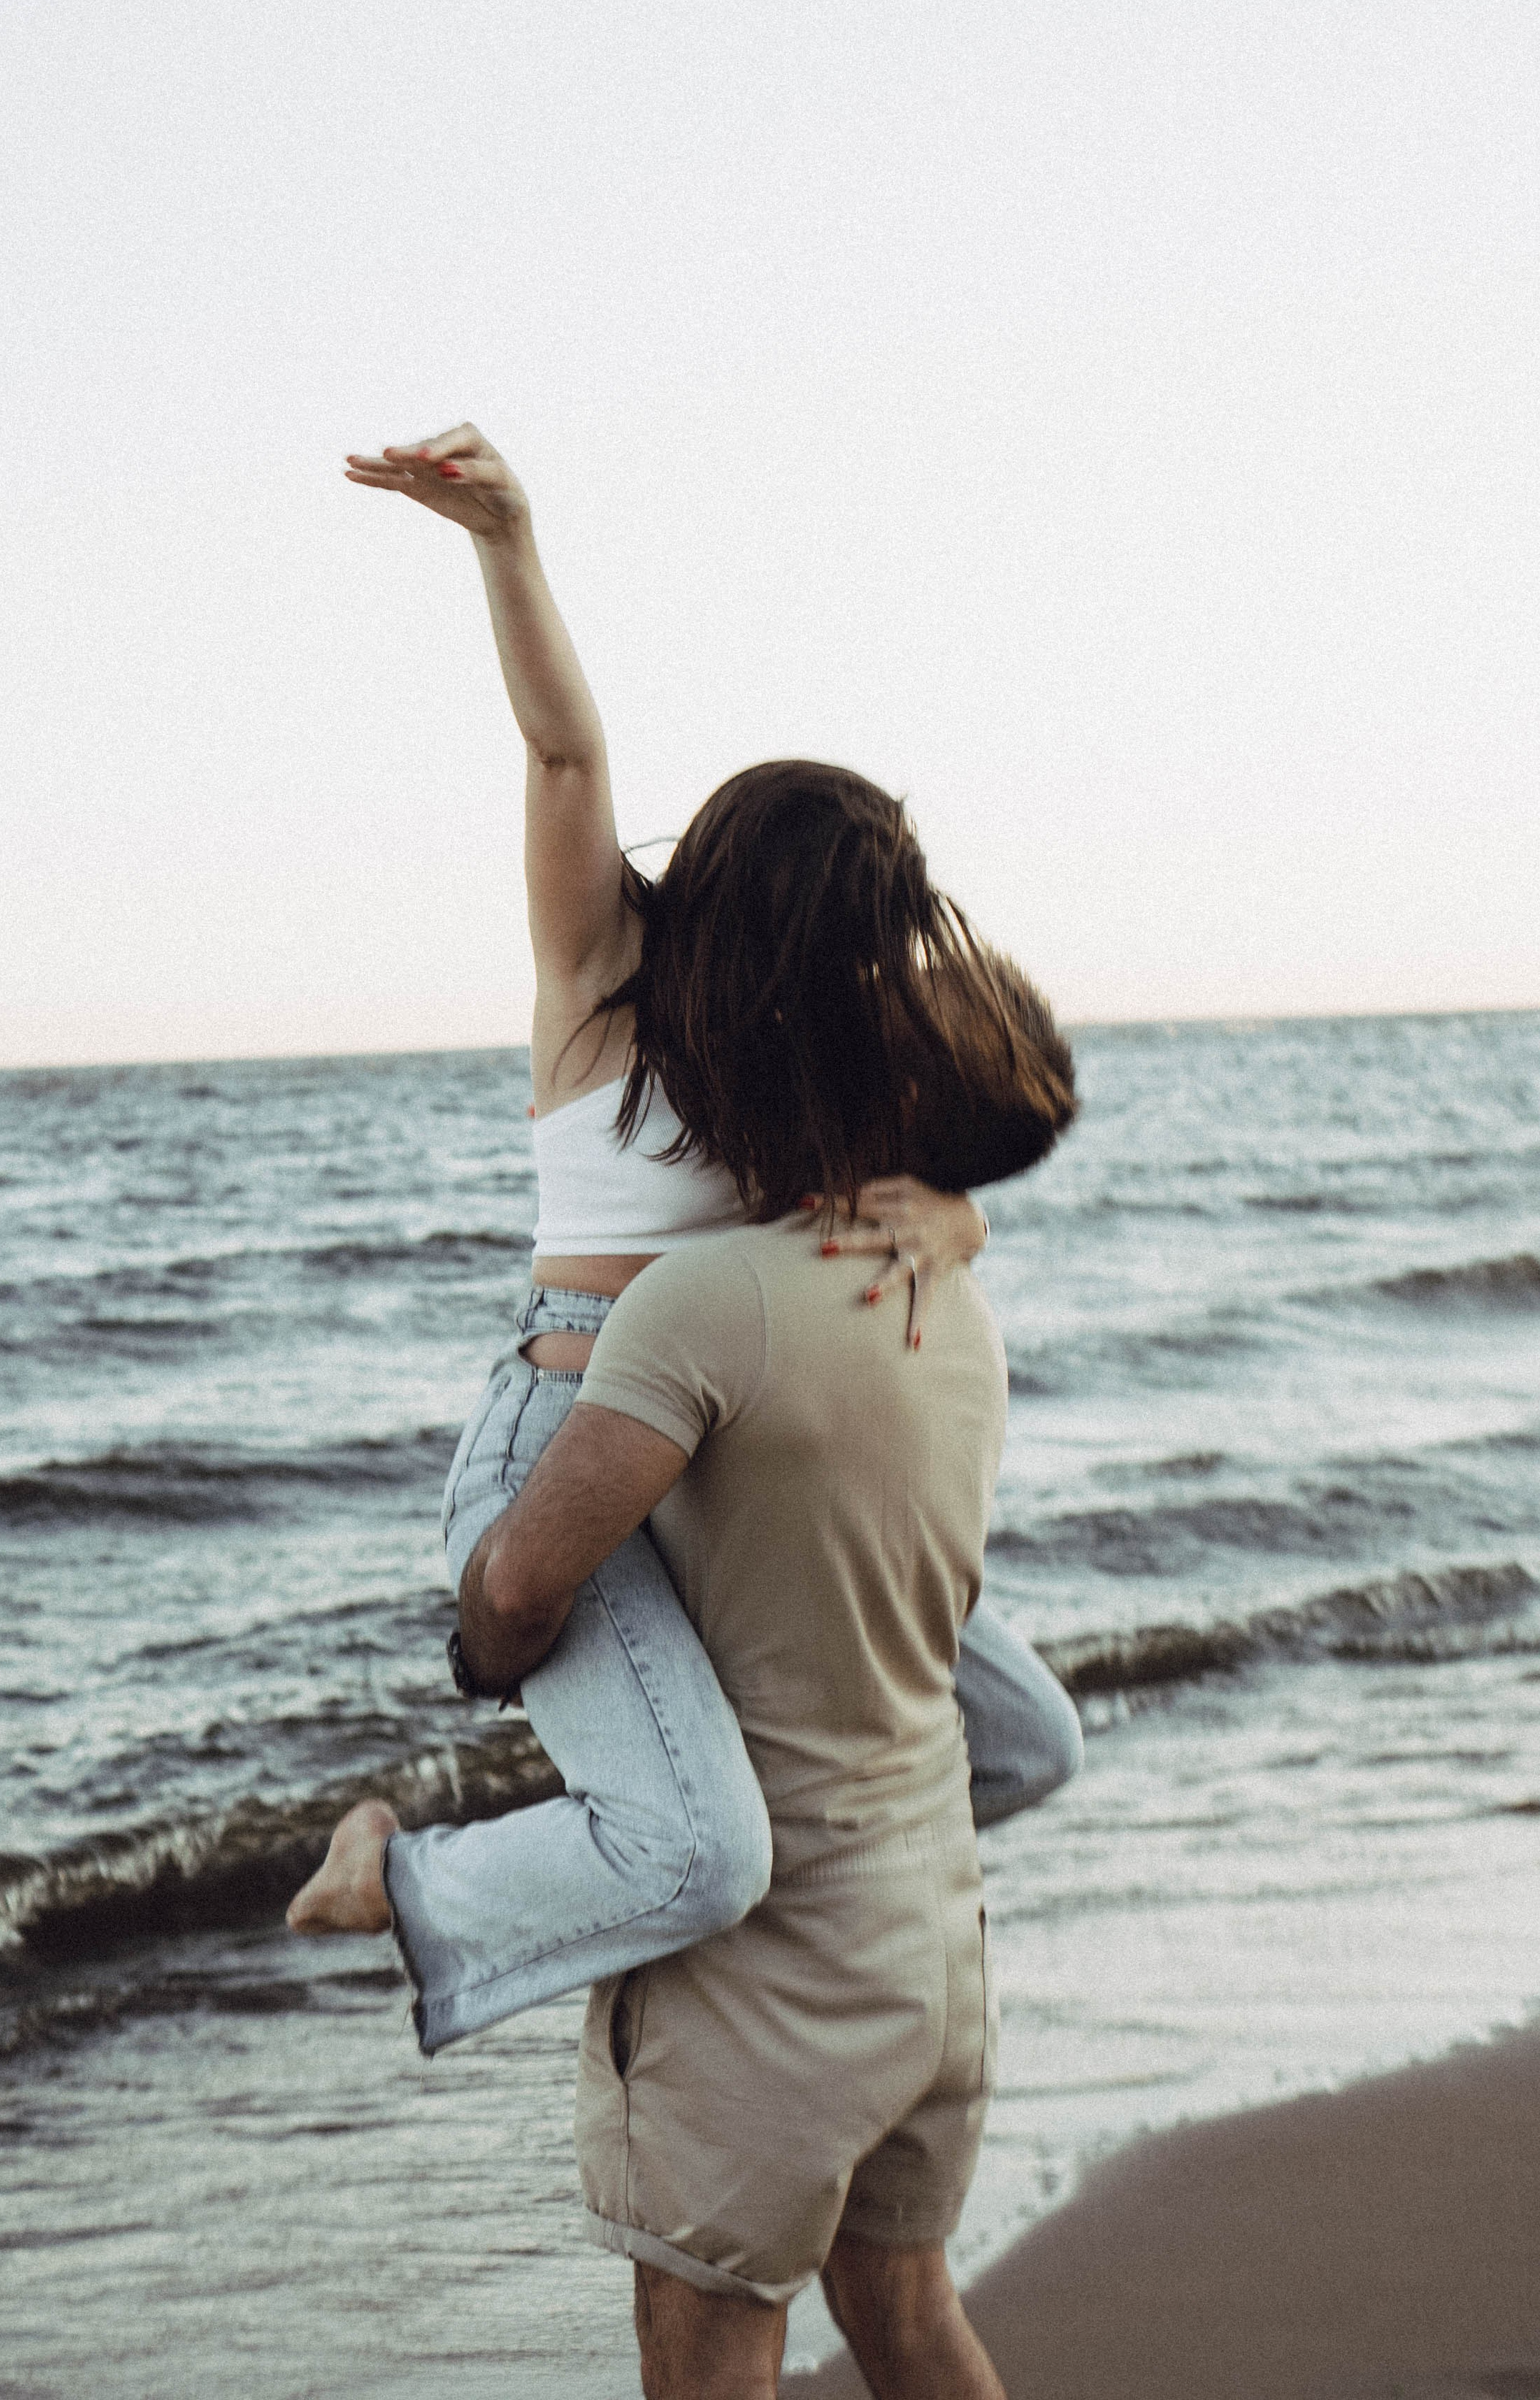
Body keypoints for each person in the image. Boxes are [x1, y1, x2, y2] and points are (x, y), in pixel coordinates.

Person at [288, 426, 1080, 2060]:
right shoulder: (601, 975)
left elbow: (969, 1160)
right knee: (704, 1849)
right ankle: (398, 1874)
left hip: (733, 1474)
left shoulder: (811, 1058)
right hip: (561, 1450)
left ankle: (695, 1890)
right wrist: (504, 538)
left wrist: (958, 1210)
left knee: (1022, 1740)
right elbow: (565, 759)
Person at [424, 747, 1062, 2394]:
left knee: (708, 2356)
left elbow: (513, 1595)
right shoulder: (936, 1289)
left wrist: (489, 1654)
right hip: (925, 1942)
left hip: (764, 1987)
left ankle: (401, 1889)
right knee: (909, 2315)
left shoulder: (704, 1307)